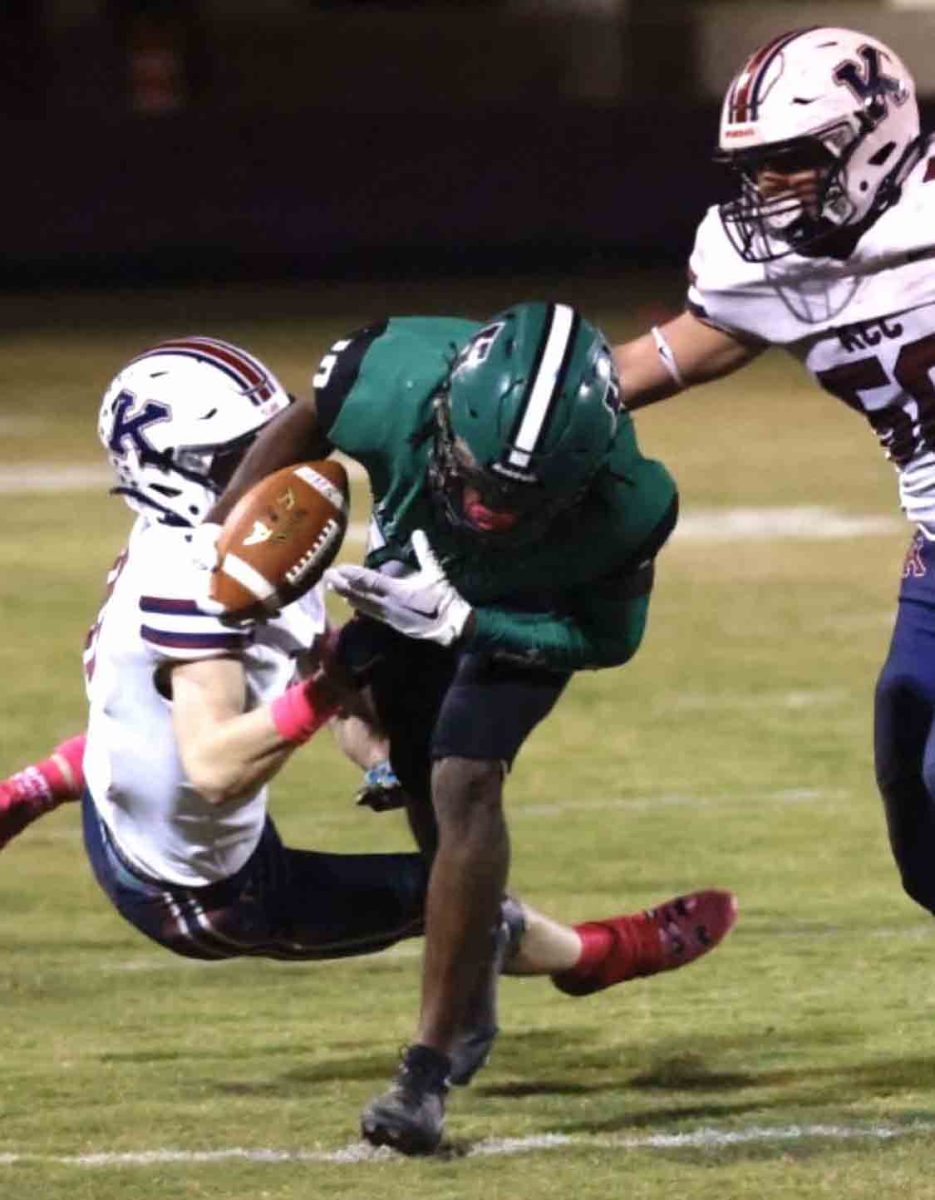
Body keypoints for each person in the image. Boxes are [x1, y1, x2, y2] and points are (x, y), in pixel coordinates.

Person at [200, 301, 738, 1153]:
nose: (489, 507)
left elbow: (608, 639)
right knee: (415, 774)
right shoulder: (385, 375)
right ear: (443, 409)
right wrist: (224, 528)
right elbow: (308, 418)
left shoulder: (633, 502)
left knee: (466, 774)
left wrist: (467, 625)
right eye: (477, 476)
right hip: (412, 574)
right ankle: (477, 972)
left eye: (524, 496)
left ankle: (424, 1071)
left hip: (527, 613)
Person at [613, 30, 935, 921]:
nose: (766, 188)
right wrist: (529, 398)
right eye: (752, 166)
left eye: (790, 160)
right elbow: (668, 357)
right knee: (917, 808)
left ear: (872, 134)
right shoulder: (765, 261)